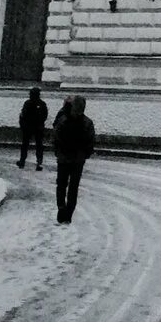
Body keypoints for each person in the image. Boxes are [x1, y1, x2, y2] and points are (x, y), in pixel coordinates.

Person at [52, 94, 96, 225]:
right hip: (78, 159)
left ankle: (61, 208)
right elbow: (90, 141)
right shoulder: (87, 122)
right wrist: (85, 154)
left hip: (64, 158)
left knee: (61, 184)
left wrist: (59, 152)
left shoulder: (63, 120)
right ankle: (69, 213)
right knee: (73, 186)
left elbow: (56, 137)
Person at [17, 87, 48, 170]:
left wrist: (23, 124)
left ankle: (22, 161)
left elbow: (23, 114)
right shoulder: (42, 104)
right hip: (38, 127)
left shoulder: (28, 103)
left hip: (28, 127)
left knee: (25, 145)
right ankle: (39, 162)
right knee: (39, 145)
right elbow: (45, 115)